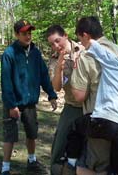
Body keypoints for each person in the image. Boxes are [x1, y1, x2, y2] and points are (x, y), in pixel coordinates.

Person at [70, 16, 118, 175]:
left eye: (81, 37)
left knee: (77, 129)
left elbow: (79, 96)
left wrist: (78, 51)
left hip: (104, 121)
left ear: (85, 35)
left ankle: (71, 160)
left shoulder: (110, 60)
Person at [0, 19, 58, 175]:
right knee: (10, 135)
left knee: (32, 133)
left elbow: (44, 75)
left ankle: (32, 160)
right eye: (24, 33)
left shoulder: (35, 53)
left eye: (29, 33)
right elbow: (6, 82)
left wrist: (51, 95)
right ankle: (5, 167)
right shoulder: (9, 54)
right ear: (17, 34)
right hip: (13, 103)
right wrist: (12, 105)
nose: (28, 36)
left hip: (30, 102)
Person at [46, 25, 84, 175]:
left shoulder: (83, 49)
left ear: (66, 36)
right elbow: (57, 87)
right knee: (60, 144)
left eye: (57, 41)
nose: (55, 46)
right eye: (52, 44)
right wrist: (59, 67)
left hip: (91, 106)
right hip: (72, 106)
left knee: (88, 148)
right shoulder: (55, 58)